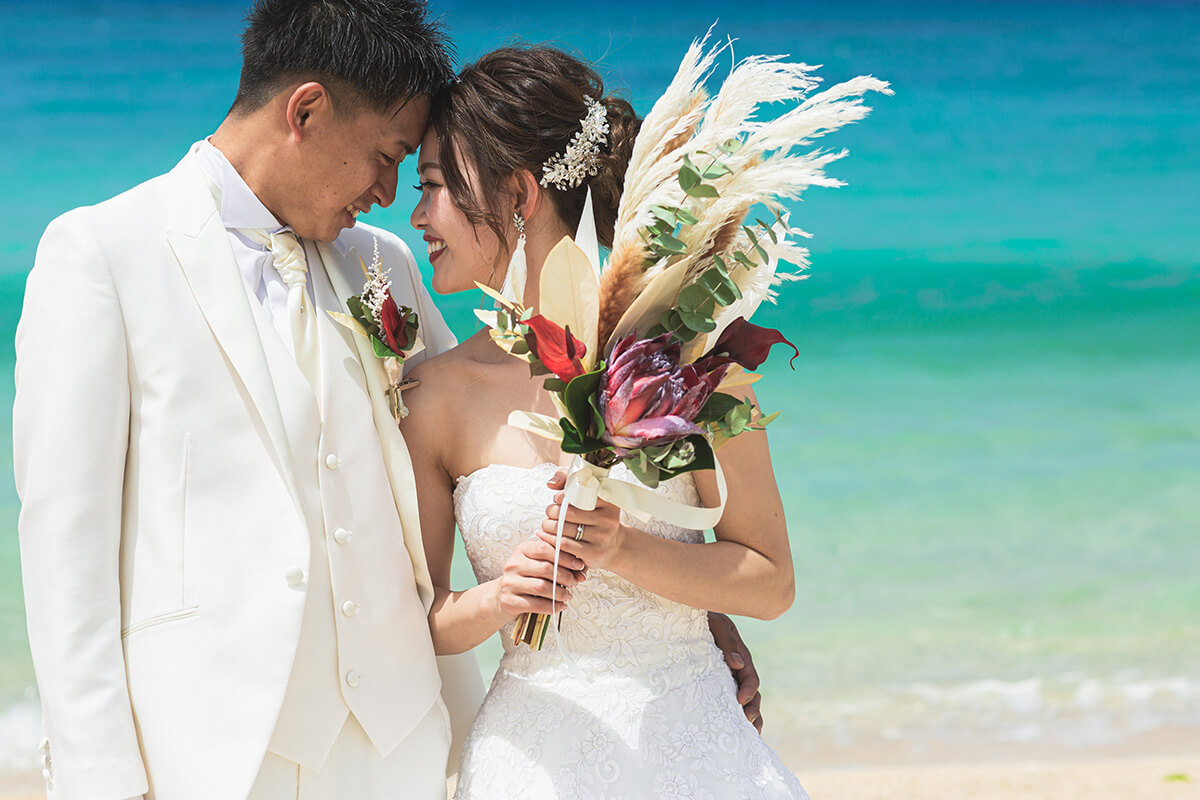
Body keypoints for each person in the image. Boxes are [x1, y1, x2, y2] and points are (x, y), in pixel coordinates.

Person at [13, 3, 763, 799]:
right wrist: (99, 780)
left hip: (397, 751)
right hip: (211, 756)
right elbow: (67, 554)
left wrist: (678, 614)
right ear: (305, 110)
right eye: (386, 155)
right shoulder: (103, 256)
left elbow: (538, 430)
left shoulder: (386, 266)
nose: (386, 191)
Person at [403, 46, 806, 798]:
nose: (419, 216)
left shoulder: (688, 353)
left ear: (519, 194)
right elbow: (418, 619)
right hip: (531, 759)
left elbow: (770, 579)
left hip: (697, 750)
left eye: (432, 187)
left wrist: (621, 548)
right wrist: (500, 598)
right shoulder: (435, 393)